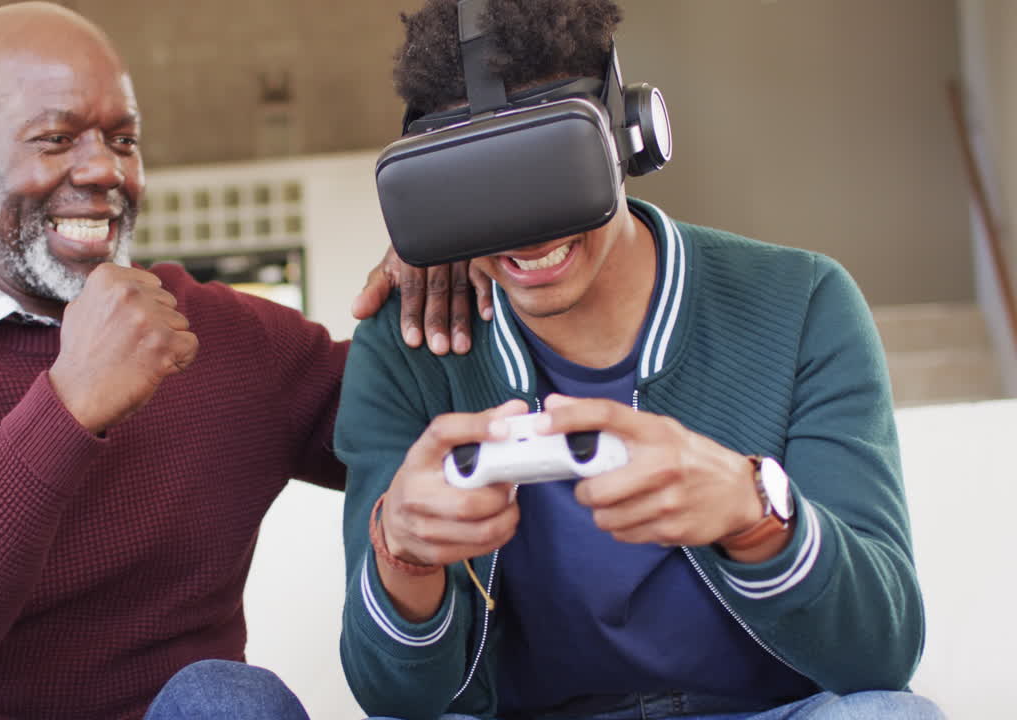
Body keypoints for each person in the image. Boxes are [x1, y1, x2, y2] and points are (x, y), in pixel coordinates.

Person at [0, 3, 489, 719]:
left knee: (228, 700)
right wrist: (67, 405)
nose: (104, 171)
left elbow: (427, 411)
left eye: (123, 140)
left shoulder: (224, 338)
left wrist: (452, 255)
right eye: (57, 139)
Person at [334, 1, 943, 719]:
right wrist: (403, 554)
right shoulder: (408, 349)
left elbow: (884, 653)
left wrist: (755, 515)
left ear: (629, 133)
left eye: (550, 166)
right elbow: (394, 699)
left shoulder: (802, 301)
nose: (527, 233)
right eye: (480, 184)